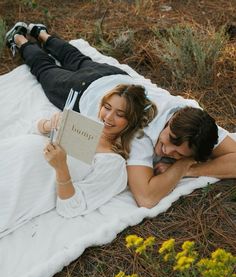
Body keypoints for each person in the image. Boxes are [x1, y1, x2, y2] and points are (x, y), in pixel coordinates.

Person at [5, 22, 236, 211]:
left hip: (116, 79)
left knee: (73, 58)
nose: (166, 152)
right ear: (170, 121)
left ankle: (39, 34)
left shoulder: (195, 122)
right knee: (46, 70)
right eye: (168, 141)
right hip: (82, 91)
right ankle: (21, 38)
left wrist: (190, 165)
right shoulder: (140, 135)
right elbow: (146, 198)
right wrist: (186, 167)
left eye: (179, 154)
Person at [0, 81, 157, 237]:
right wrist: (49, 124)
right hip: (8, 153)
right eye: (107, 108)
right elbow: (31, 129)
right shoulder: (84, 126)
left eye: (120, 114)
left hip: (18, 184)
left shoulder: (113, 163)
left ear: (131, 122)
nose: (108, 117)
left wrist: (61, 167)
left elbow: (71, 207)